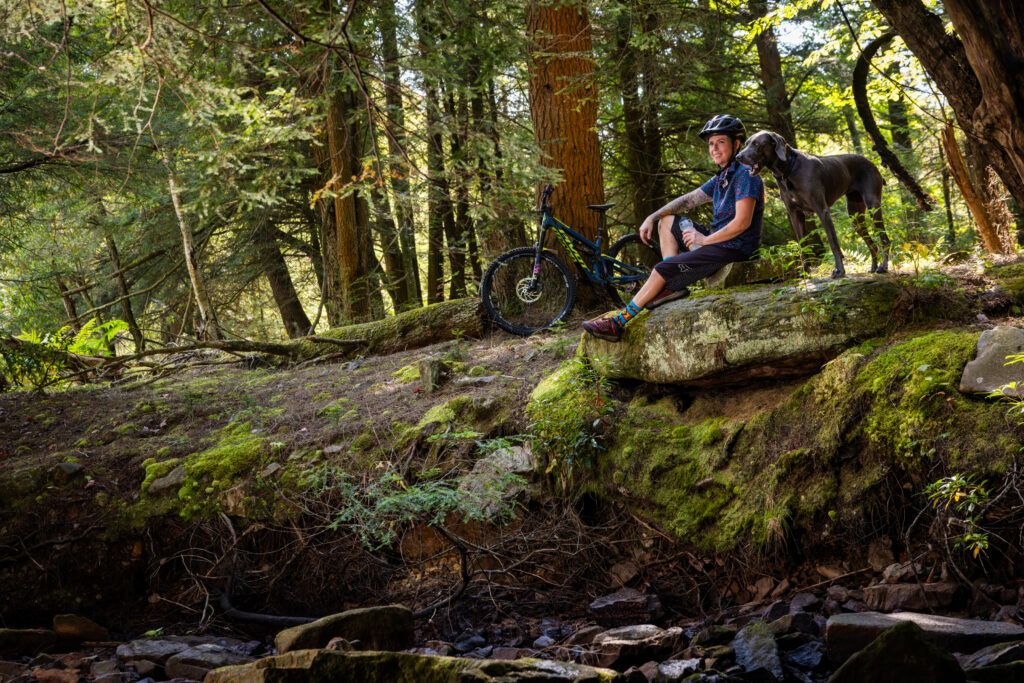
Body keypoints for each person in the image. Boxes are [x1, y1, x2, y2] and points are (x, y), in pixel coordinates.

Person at [582, 114, 765, 342]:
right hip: (718, 242)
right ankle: (672, 286)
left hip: (735, 249)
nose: (714, 149)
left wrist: (704, 239)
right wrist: (652, 216)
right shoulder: (722, 177)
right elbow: (688, 200)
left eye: (721, 142)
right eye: (711, 143)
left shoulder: (747, 175)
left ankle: (617, 323)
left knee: (661, 268)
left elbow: (742, 223)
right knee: (667, 220)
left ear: (736, 144)